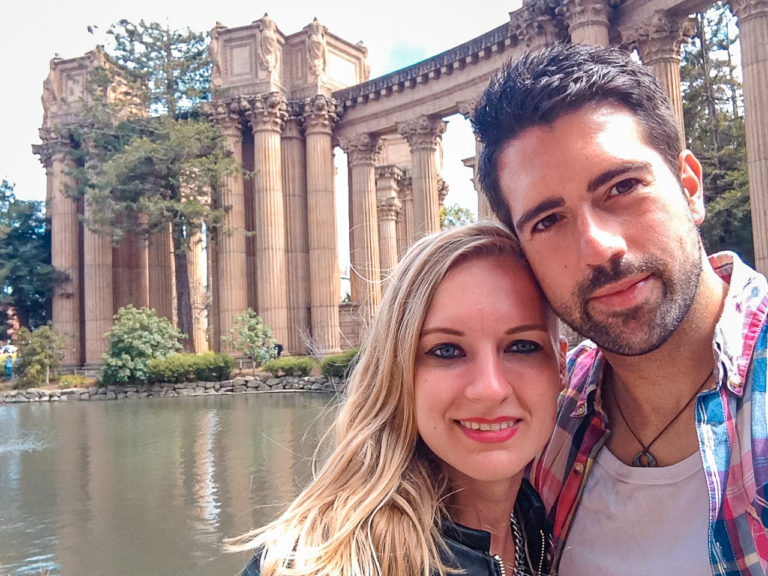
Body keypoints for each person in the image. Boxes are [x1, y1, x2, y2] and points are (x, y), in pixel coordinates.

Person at [472, 42, 768, 576]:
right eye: (547, 221)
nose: (598, 247)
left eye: (622, 187)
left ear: (690, 186)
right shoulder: (541, 410)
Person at [230, 222, 565, 576]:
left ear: (561, 364)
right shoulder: (323, 564)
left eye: (523, 346)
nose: (489, 388)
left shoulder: (536, 525)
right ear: (398, 369)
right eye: (446, 350)